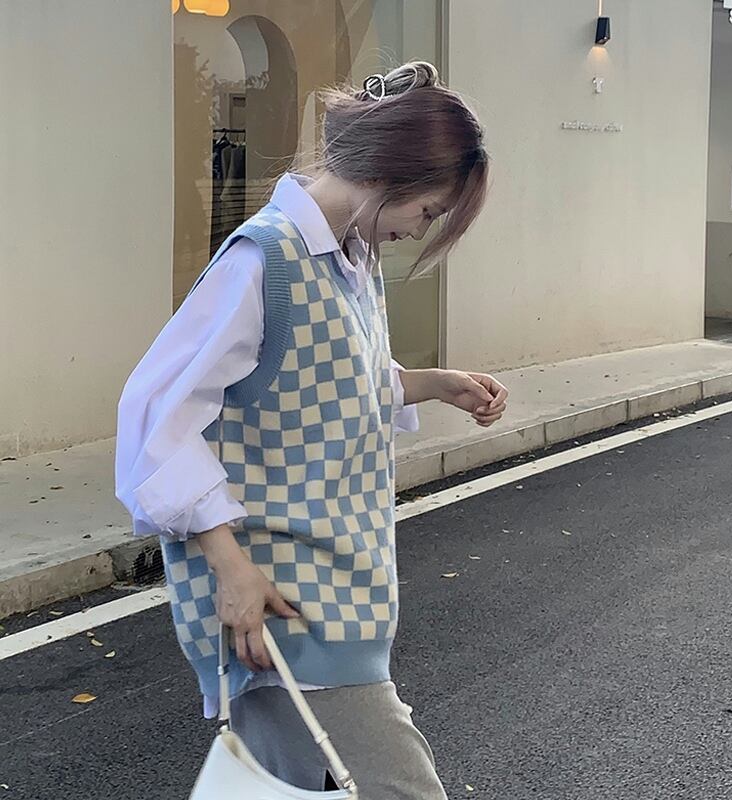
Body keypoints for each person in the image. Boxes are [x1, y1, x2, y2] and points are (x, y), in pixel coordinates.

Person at [116, 61, 508, 799]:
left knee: (287, 786)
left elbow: (325, 385)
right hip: (282, 599)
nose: (419, 230)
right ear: (387, 174)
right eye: (428, 211)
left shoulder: (351, 259)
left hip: (331, 589)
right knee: (400, 788)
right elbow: (153, 419)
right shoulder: (263, 261)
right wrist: (231, 570)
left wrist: (433, 384)